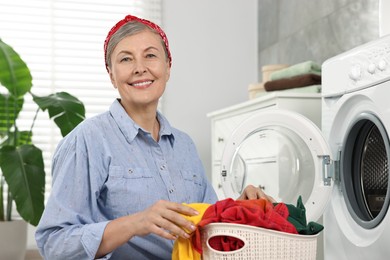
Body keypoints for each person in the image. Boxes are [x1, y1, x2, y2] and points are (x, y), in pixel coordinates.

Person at [35, 14, 274, 260]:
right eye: (126, 59)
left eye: (150, 55)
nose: (140, 68)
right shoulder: (87, 140)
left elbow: (207, 227)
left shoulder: (185, 145)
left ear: (168, 67)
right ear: (111, 74)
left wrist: (242, 208)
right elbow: (53, 243)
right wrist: (137, 223)